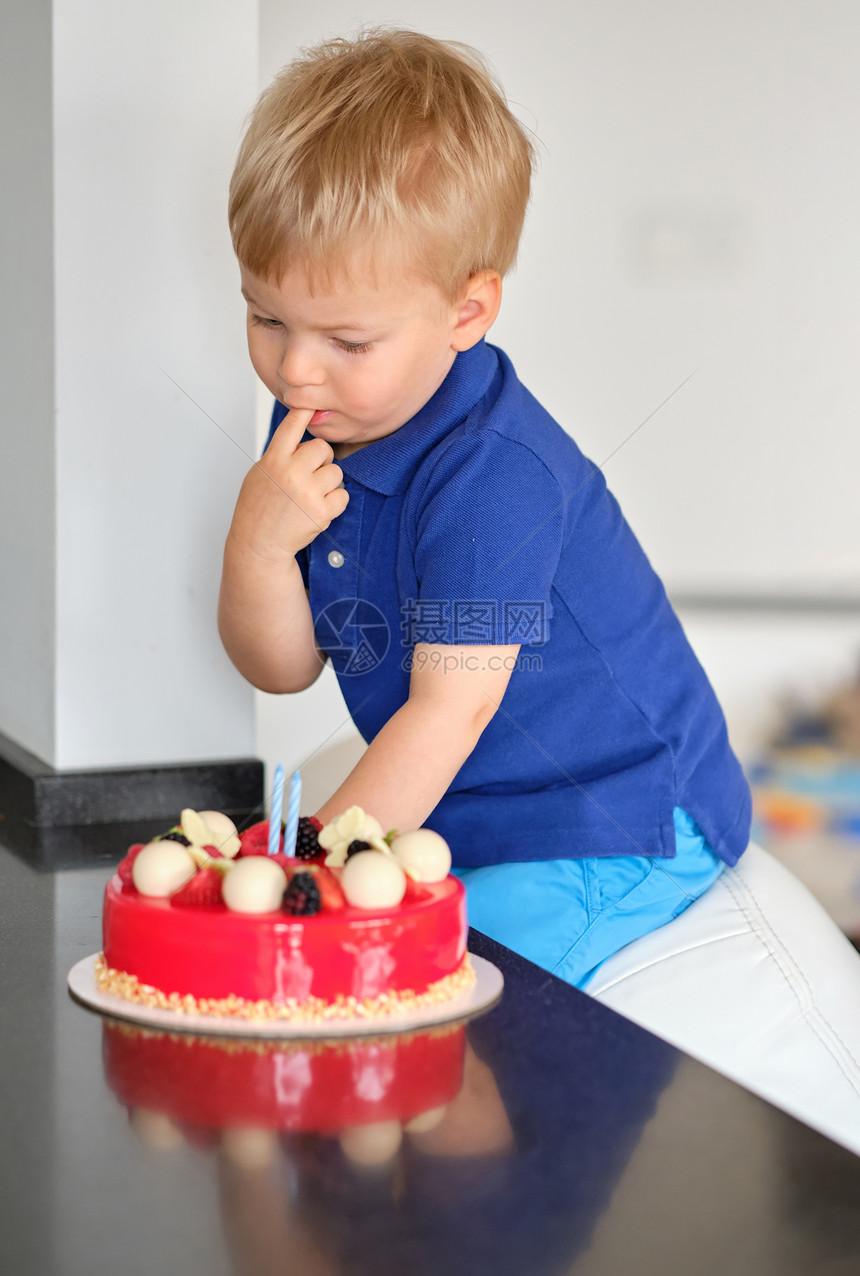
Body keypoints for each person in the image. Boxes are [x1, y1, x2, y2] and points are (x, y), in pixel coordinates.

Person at [218, 27, 751, 990]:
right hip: (473, 799)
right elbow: (285, 664)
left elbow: (447, 717)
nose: (295, 368)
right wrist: (257, 546)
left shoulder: (493, 480)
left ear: (467, 312)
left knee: (452, 982)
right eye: (267, 318)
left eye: (346, 337)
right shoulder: (316, 414)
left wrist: (311, 884)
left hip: (612, 815)